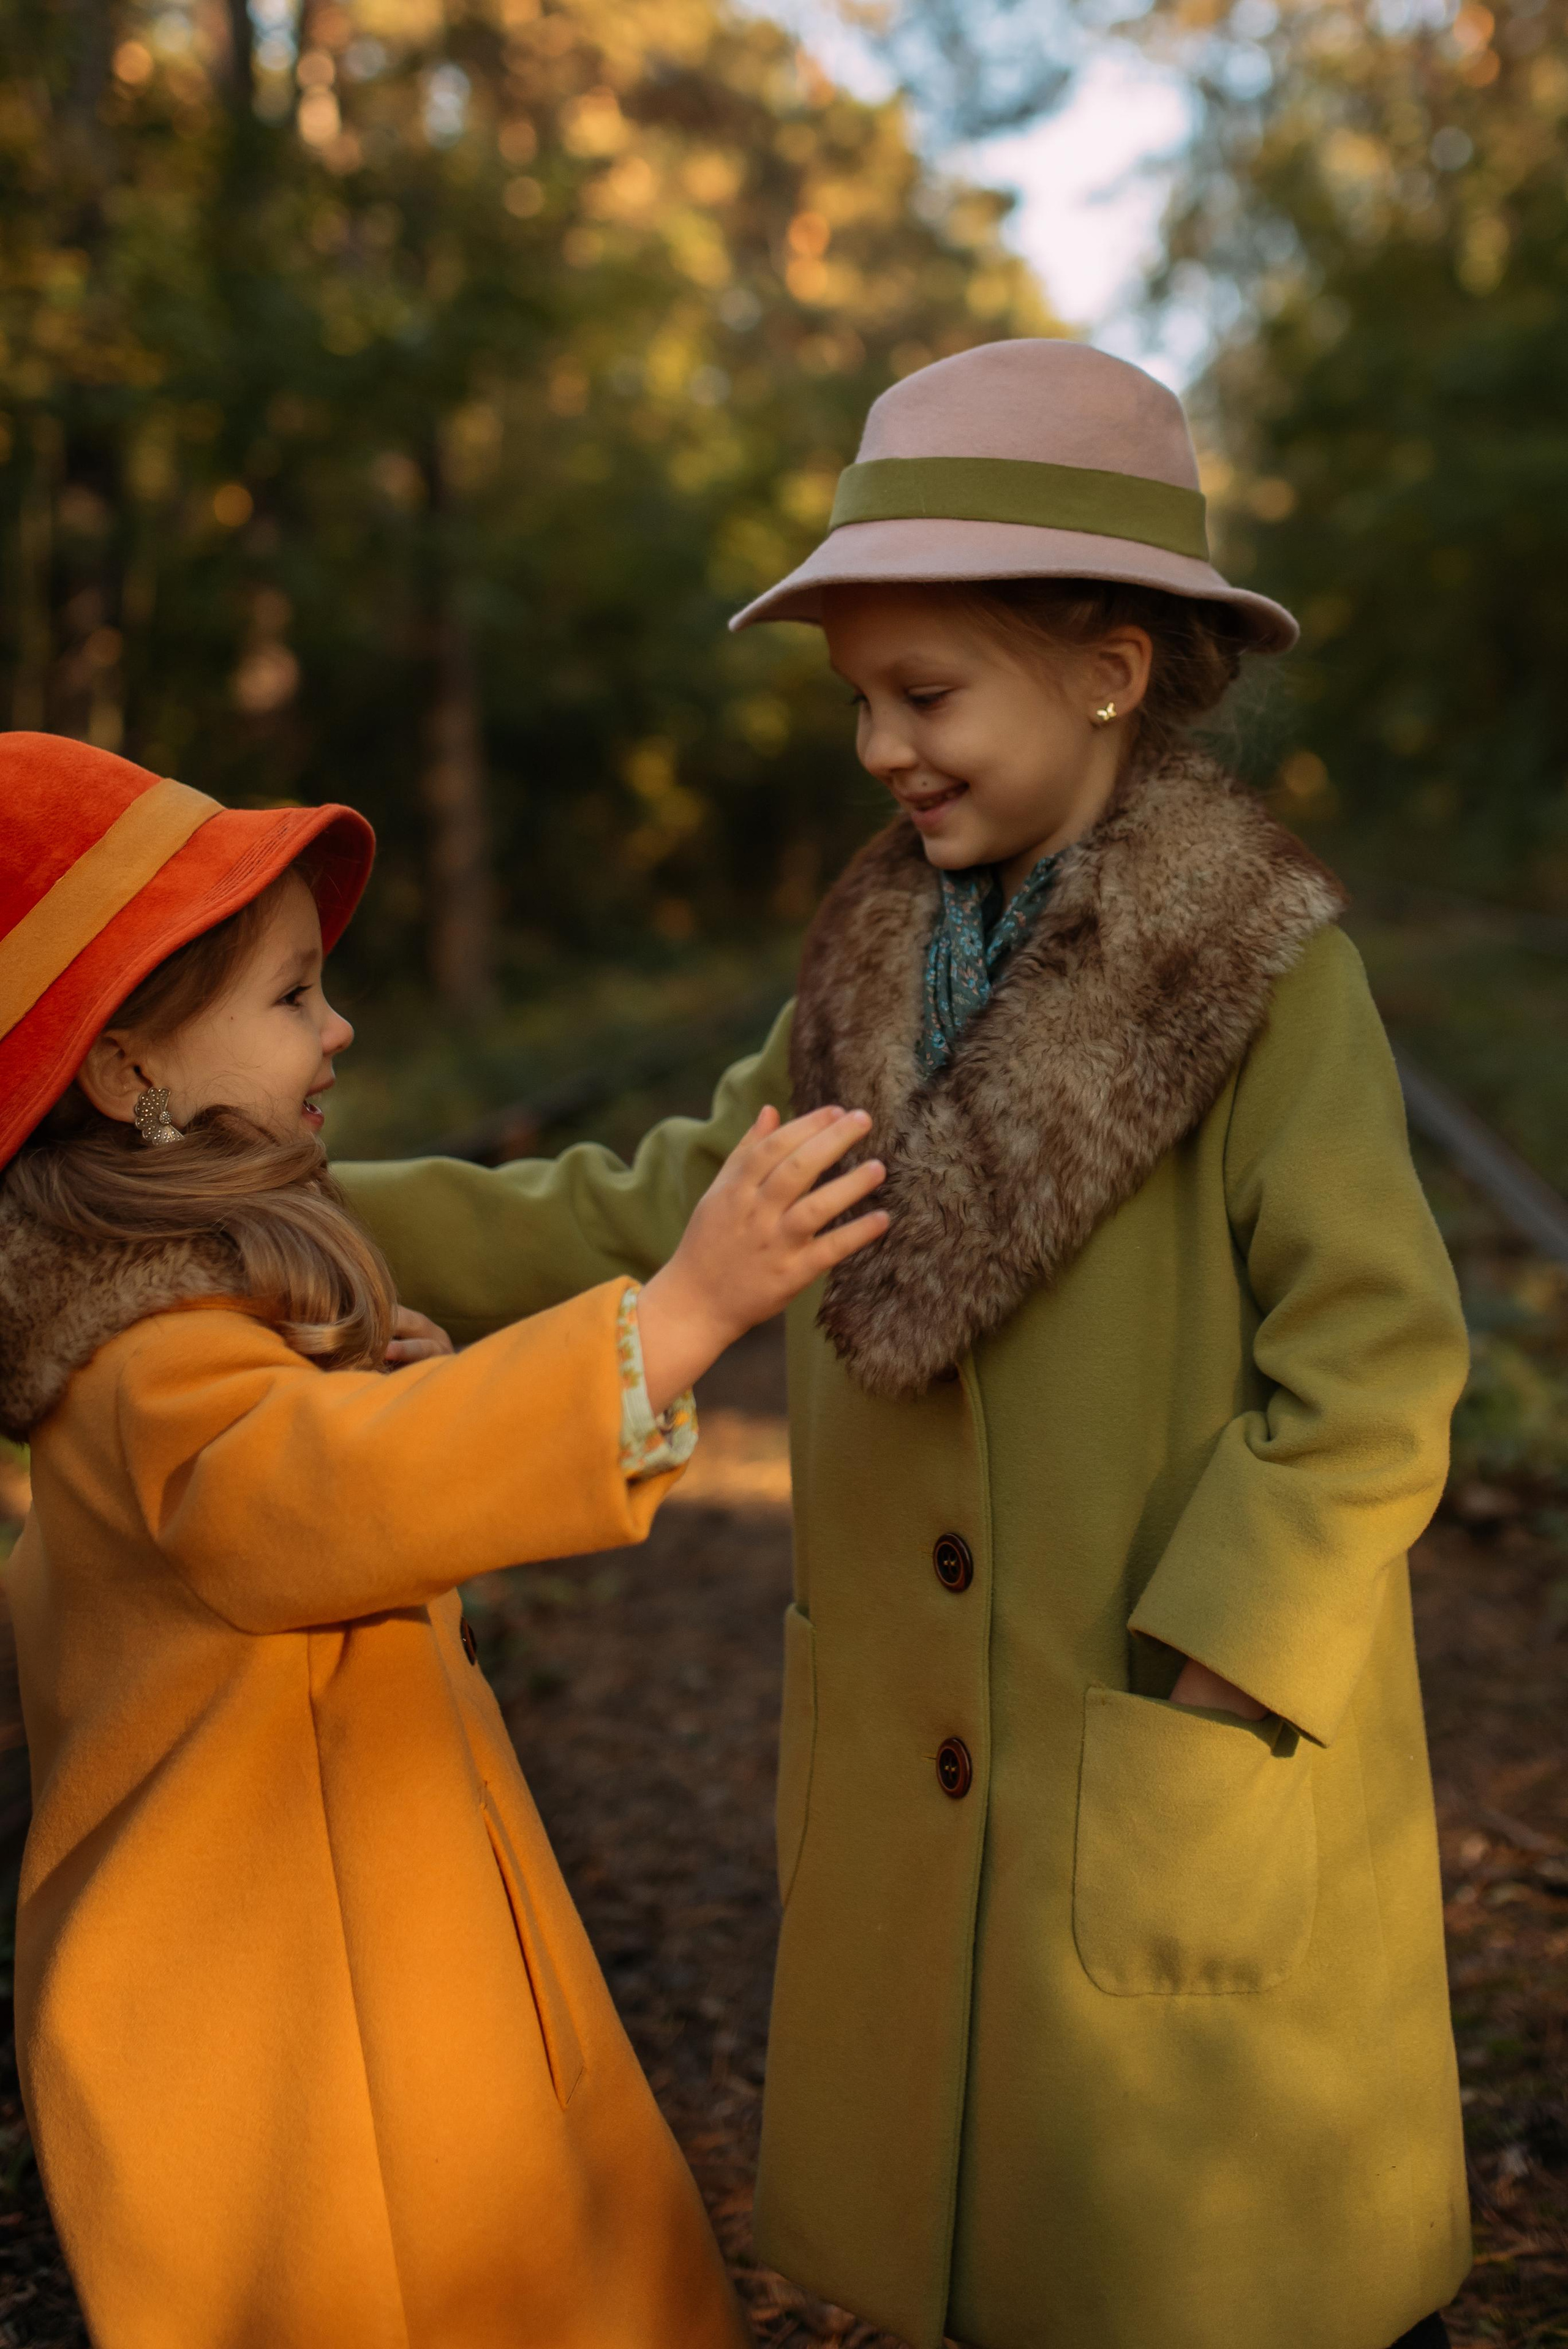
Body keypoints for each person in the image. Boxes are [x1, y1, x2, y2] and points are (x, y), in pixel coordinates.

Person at [336, 341, 1472, 2349]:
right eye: (859, 700)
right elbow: (655, 1197)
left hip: (1159, 1726)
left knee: (1170, 2259)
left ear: (1111, 665)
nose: (879, 748)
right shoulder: (872, 964)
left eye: (924, 695)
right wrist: (317, 1206)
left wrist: (1219, 1653)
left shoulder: (1275, 982)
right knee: (996, 2252)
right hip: (921, 1759)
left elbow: (1376, 1362)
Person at [0, 732, 888, 2349]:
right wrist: (677, 1316)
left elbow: (280, 1501)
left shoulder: (161, 1332)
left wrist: (361, 1400)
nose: (339, 1025)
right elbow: (321, 1507)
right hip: (291, 2036)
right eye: (288, 997)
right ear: (129, 1071)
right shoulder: (145, 1360)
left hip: (362, 1958)